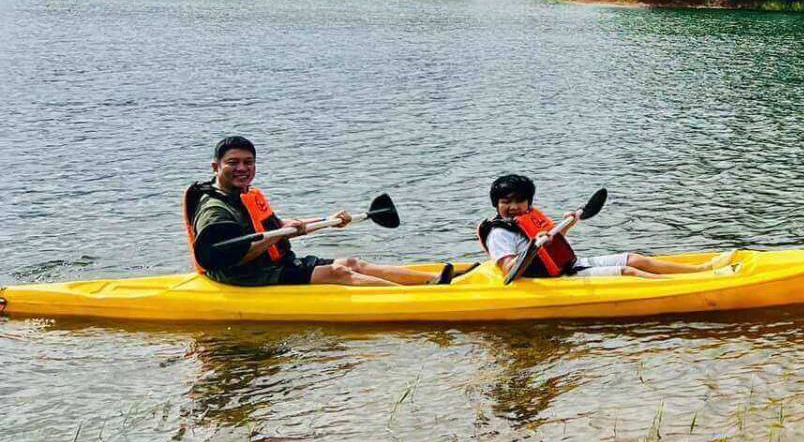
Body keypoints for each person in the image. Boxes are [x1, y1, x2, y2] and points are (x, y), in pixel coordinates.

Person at [184, 136, 436, 287]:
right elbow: (230, 257)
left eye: (248, 162)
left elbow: (274, 228)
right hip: (242, 276)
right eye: (233, 163)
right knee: (337, 272)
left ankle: (434, 280)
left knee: (351, 262)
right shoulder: (214, 209)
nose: (242, 168)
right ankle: (412, 299)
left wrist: (329, 220)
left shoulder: (244, 195)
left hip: (269, 265)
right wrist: (279, 235)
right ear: (216, 166)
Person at [478, 174, 735, 279]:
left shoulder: (529, 217)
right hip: (549, 280)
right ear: (496, 204)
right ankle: (686, 284)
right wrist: (534, 246)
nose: (512, 207)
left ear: (528, 203)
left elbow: (551, 242)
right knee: (629, 271)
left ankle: (701, 269)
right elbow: (511, 269)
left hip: (568, 266)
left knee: (636, 258)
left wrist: (569, 223)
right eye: (505, 202)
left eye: (518, 201)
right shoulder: (500, 233)